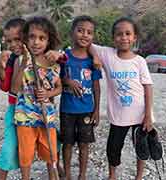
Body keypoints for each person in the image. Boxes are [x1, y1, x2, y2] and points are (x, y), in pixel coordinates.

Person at [90, 17, 153, 180]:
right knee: (113, 148)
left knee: (141, 147)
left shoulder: (140, 61)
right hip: (118, 117)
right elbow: (87, 43)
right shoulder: (107, 54)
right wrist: (95, 57)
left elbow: (148, 88)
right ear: (113, 38)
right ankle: (112, 175)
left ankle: (139, 176)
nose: (123, 37)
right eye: (119, 34)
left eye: (128, 34)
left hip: (140, 115)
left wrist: (148, 115)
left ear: (134, 37)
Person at [12, 16, 65, 180]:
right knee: (26, 156)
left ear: (48, 41)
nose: (36, 42)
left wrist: (48, 94)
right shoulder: (21, 60)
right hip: (25, 117)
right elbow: (14, 89)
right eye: (32, 37)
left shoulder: (53, 64)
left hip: (46, 117)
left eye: (42, 38)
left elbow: (59, 88)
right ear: (25, 39)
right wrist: (24, 63)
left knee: (51, 155)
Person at [59, 15, 102, 180]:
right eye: (80, 30)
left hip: (86, 110)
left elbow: (97, 86)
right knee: (67, 143)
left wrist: (97, 110)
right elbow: (57, 79)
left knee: (84, 144)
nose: (85, 35)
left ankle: (82, 175)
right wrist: (68, 81)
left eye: (89, 32)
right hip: (67, 109)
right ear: (72, 33)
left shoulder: (93, 61)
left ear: (93, 37)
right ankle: (68, 174)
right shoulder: (65, 57)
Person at [0, 17, 26, 180]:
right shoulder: (12, 60)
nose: (14, 44)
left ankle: (55, 166)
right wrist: (1, 68)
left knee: (48, 141)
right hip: (14, 109)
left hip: (36, 109)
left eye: (18, 39)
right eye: (9, 41)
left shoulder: (39, 57)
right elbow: (6, 87)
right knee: (9, 148)